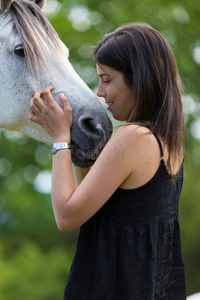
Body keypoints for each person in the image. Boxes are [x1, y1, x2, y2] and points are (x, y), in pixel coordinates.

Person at [28, 24, 186, 299]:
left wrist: (59, 138)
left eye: (107, 79)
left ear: (139, 78)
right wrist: (78, 138)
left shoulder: (133, 137)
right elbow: (90, 200)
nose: (100, 92)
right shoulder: (166, 140)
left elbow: (67, 216)